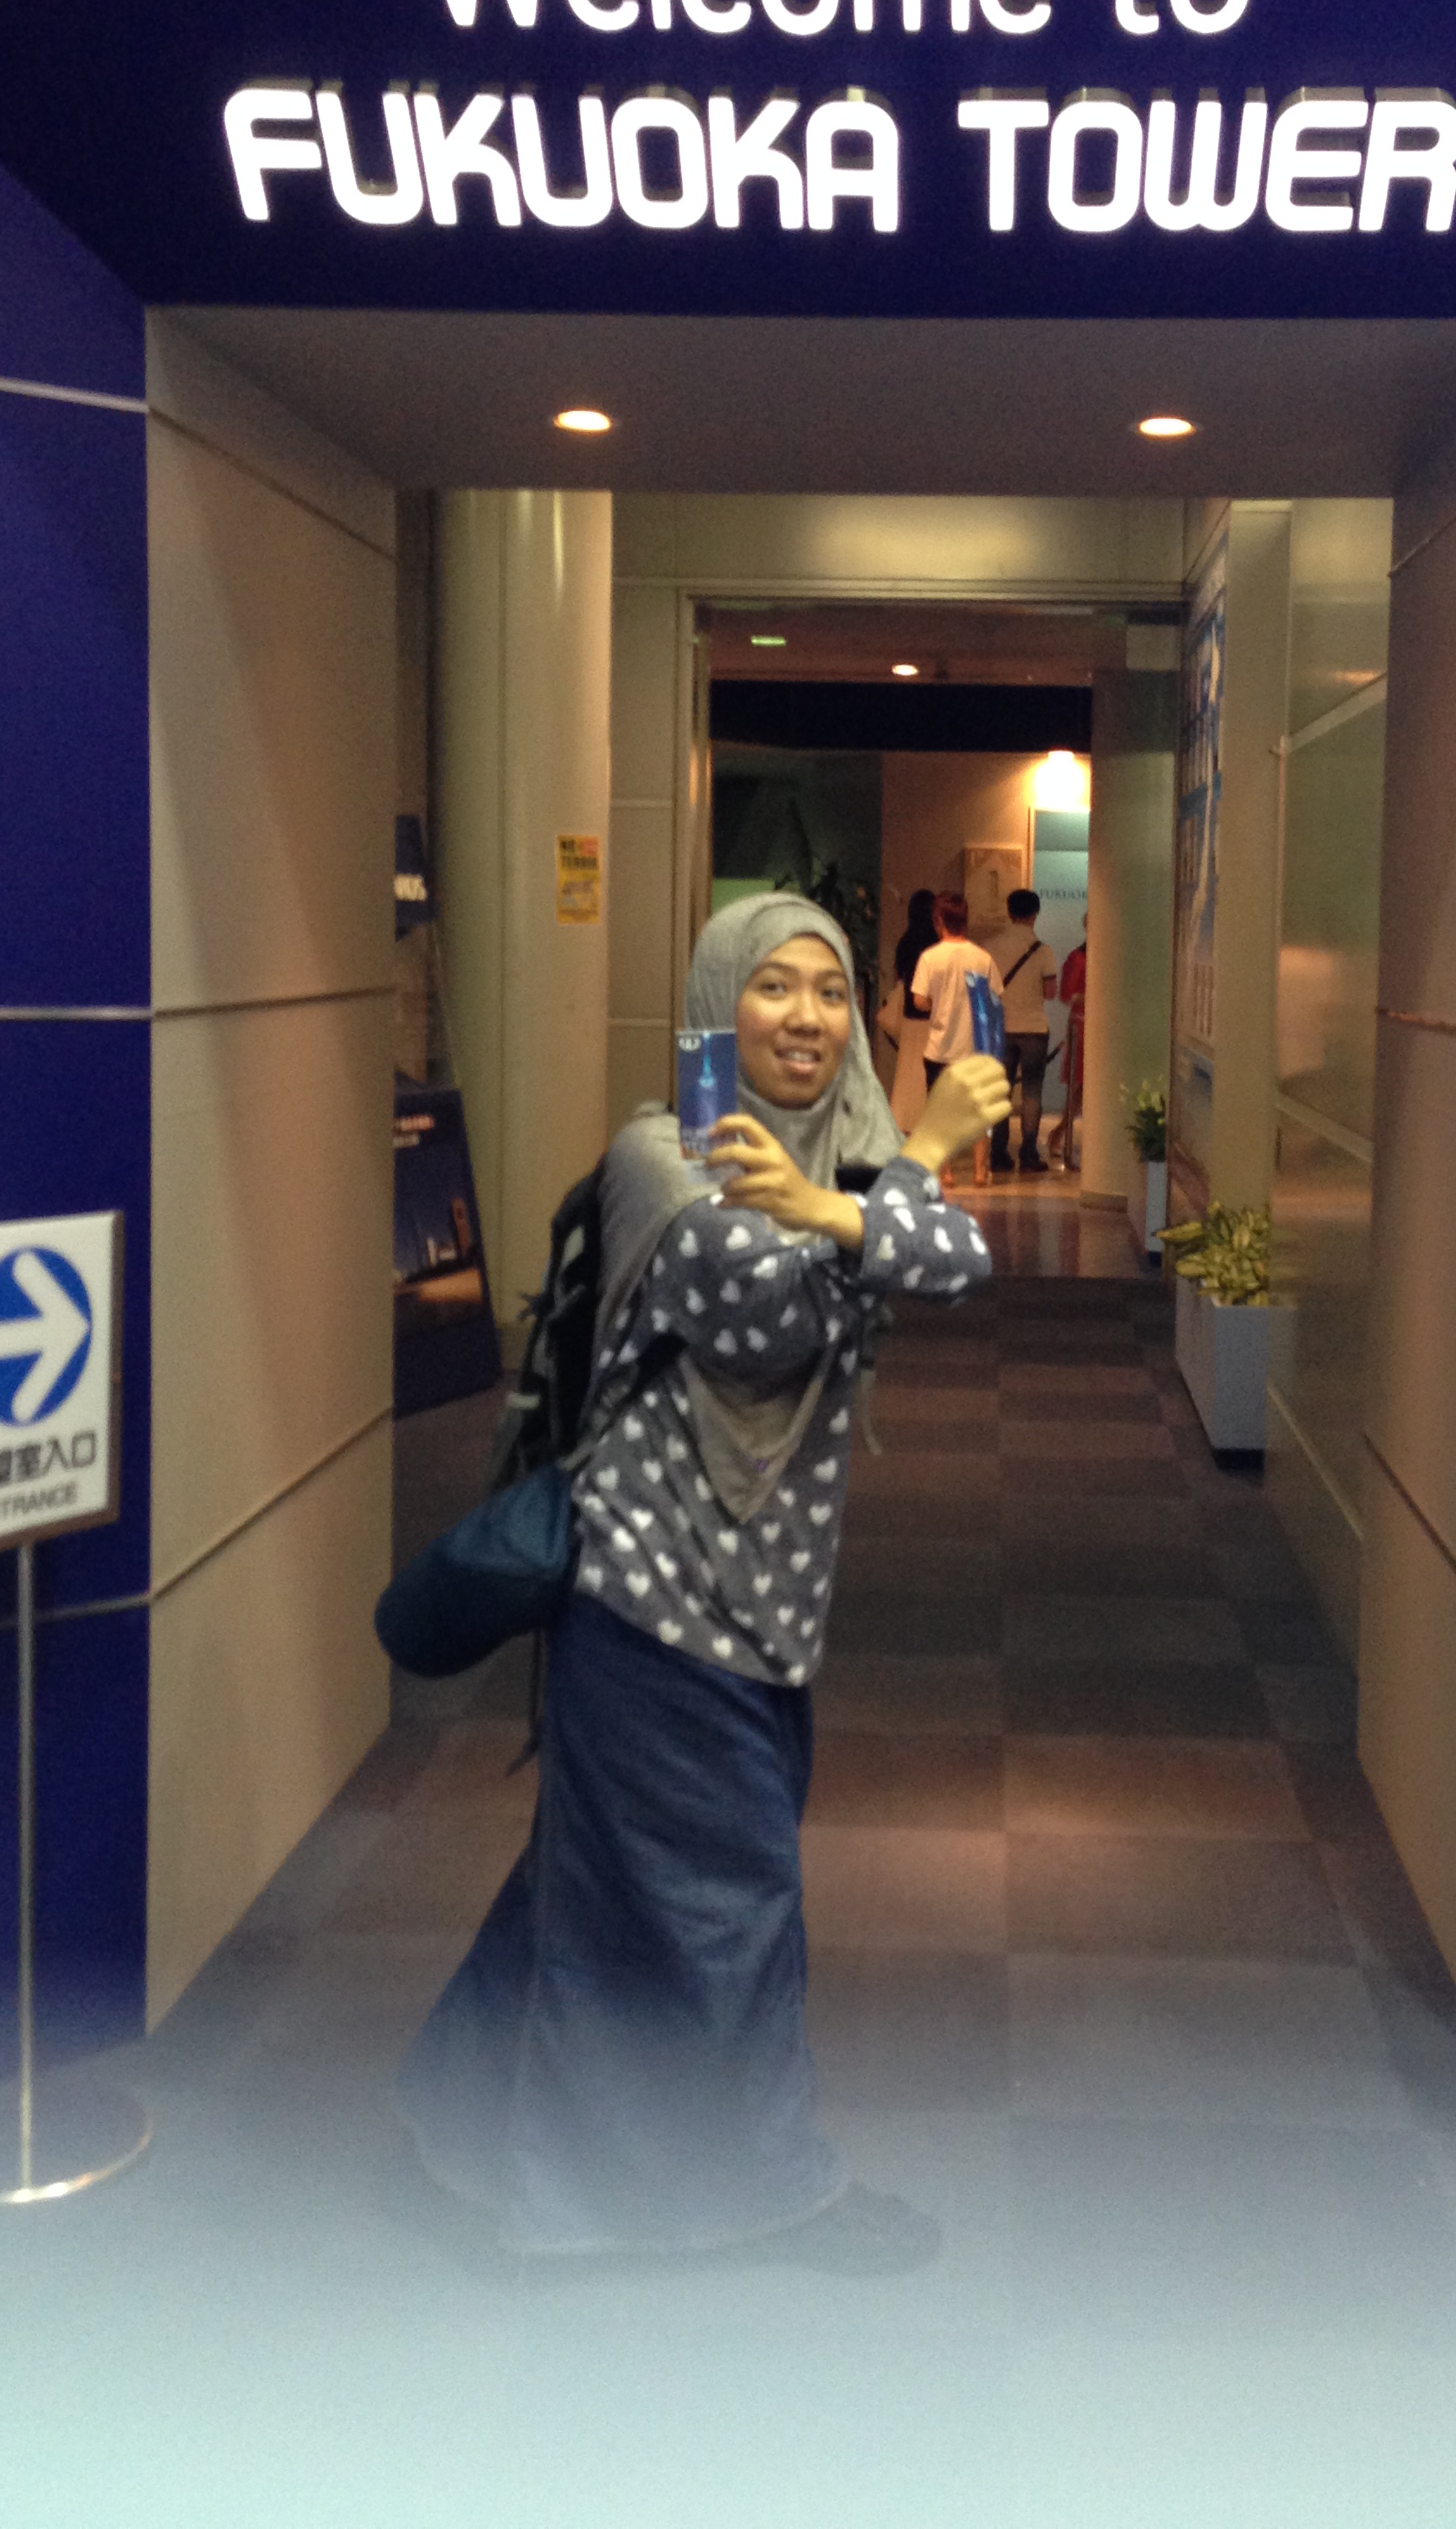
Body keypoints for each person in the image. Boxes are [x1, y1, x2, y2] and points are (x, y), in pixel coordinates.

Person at [396, 892, 1010, 2272]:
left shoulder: (842, 1157)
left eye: (831, 992)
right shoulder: (662, 1156)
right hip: (650, 1599)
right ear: (716, 1001)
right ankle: (760, 2193)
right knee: (732, 1911)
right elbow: (764, 1308)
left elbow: (957, 1262)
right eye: (773, 986)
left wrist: (848, 1204)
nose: (807, 1018)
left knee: (595, 1886)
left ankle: (455, 2119)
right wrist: (908, 1167)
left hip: (764, 1610)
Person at [905, 891, 1002, 1187]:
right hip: (976, 1045)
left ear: (938, 920)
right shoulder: (982, 957)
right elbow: (996, 997)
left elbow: (919, 1000)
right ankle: (979, 1171)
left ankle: (946, 1173)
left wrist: (937, 1004)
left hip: (940, 1045)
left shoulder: (930, 957)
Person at [980, 887, 1059, 1173]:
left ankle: (999, 1154)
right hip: (1034, 1028)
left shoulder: (990, 947)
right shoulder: (1043, 950)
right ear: (1035, 914)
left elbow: (984, 990)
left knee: (1001, 1092)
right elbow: (1050, 992)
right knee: (1032, 1092)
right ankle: (1028, 1153)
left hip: (1001, 1028)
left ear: (1009, 912)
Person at [882, 885, 938, 1133]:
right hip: (934, 1014)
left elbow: (899, 977)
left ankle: (904, 1120)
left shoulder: (905, 942)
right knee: (931, 1071)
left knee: (907, 1070)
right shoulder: (937, 944)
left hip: (910, 1014)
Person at [1053, 924, 1087, 1171]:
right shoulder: (1077, 958)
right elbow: (1066, 995)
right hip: (1082, 1028)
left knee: (1084, 1090)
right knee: (1079, 1088)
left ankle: (1059, 1134)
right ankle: (1059, 1134)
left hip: (1098, 1027)